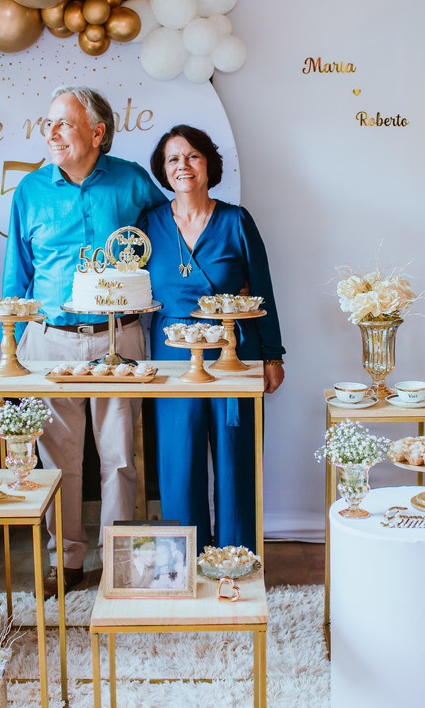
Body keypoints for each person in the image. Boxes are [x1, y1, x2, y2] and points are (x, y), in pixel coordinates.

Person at [3, 85, 166, 595]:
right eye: (48, 123)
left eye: (64, 124)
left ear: (98, 133)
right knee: (59, 460)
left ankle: (119, 560)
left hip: (119, 335)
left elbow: (164, 240)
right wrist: (10, 344)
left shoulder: (134, 182)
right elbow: (17, 273)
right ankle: (67, 560)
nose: (51, 133)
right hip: (49, 339)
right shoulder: (30, 190)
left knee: (119, 455)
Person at [139, 125, 285, 551]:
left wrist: (273, 355)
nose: (183, 165)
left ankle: (238, 558)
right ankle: (183, 562)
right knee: (178, 460)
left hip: (232, 352)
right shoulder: (149, 223)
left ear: (208, 165)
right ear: (163, 171)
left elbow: (262, 291)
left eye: (193, 156)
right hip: (171, 354)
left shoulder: (236, 220)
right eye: (173, 159)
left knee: (236, 458)